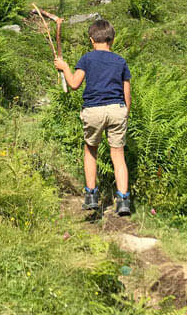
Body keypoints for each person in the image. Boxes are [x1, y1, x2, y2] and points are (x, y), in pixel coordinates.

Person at [54, 19, 132, 215]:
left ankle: (91, 197)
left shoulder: (87, 59)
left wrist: (64, 67)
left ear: (91, 40)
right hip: (117, 109)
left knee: (90, 150)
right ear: (112, 40)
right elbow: (127, 93)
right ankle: (123, 200)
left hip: (94, 110)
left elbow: (73, 84)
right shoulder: (121, 61)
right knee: (118, 156)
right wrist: (125, 114)